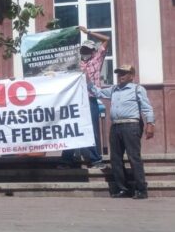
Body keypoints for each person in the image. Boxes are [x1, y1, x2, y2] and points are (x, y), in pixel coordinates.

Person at [88, 64, 155, 199]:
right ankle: (123, 189)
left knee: (133, 157)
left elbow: (147, 108)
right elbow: (98, 92)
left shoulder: (137, 89)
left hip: (131, 125)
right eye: (119, 73)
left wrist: (150, 124)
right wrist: (87, 82)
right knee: (116, 159)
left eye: (124, 73)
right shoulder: (114, 89)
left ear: (131, 75)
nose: (121, 76)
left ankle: (141, 189)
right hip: (116, 126)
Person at [59, 26, 109, 169]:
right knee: (71, 128)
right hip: (74, 100)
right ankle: (66, 160)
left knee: (91, 129)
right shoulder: (75, 62)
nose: (85, 52)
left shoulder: (97, 59)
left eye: (88, 50)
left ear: (93, 51)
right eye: (83, 49)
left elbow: (107, 39)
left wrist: (88, 32)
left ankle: (95, 160)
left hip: (90, 98)